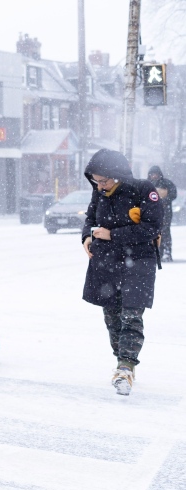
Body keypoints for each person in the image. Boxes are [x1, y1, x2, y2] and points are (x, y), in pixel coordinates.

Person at [82, 150, 162, 396]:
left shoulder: (143, 190)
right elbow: (89, 218)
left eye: (104, 180)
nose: (100, 185)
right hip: (106, 263)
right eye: (96, 181)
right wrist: (86, 236)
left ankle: (125, 367)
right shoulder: (100, 193)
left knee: (131, 315)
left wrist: (113, 234)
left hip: (138, 263)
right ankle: (122, 361)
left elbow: (152, 227)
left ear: (116, 176)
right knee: (112, 317)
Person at [147, 166, 177, 262]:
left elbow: (173, 194)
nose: (154, 176)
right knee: (153, 232)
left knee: (165, 231)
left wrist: (164, 200)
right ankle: (157, 252)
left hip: (165, 212)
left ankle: (167, 252)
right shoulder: (147, 184)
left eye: (155, 174)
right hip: (151, 213)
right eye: (152, 174)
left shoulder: (167, 183)